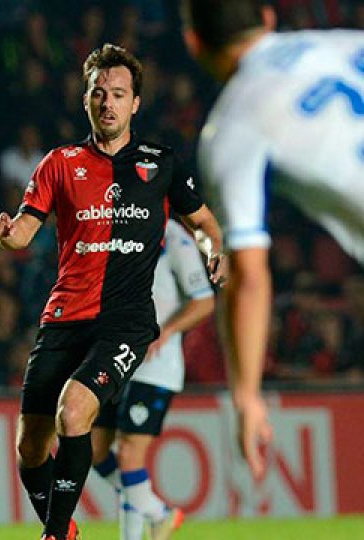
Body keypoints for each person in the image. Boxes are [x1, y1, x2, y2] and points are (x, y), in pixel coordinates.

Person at [0, 44, 225, 540]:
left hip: (126, 321)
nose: (108, 103)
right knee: (30, 447)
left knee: (74, 414)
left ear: (136, 102)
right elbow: (25, 233)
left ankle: (54, 535)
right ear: (86, 99)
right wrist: (8, 232)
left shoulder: (161, 164)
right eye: (99, 93)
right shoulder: (59, 164)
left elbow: (202, 222)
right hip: (64, 317)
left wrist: (211, 248)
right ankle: (66, 529)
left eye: (119, 94)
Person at [180, 0, 364, 480]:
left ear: (194, 42)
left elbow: (247, 274)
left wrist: (245, 395)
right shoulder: (347, 41)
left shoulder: (234, 125)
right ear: (267, 17)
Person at [91, 218, 215, 540]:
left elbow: (204, 299)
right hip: (113, 357)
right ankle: (159, 512)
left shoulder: (172, 236)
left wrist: (166, 331)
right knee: (93, 451)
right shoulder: (102, 226)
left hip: (155, 364)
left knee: (130, 453)